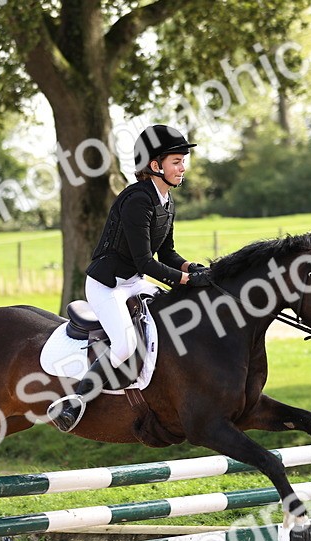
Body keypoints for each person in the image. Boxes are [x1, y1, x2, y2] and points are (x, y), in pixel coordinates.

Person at [48, 124, 213, 432]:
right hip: (107, 285)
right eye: (176, 161)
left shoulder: (165, 200)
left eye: (182, 160)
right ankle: (73, 403)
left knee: (172, 321)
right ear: (155, 165)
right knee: (123, 345)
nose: (182, 167)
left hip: (134, 281)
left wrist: (192, 268)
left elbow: (168, 255)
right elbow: (145, 261)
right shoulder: (137, 199)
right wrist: (184, 281)